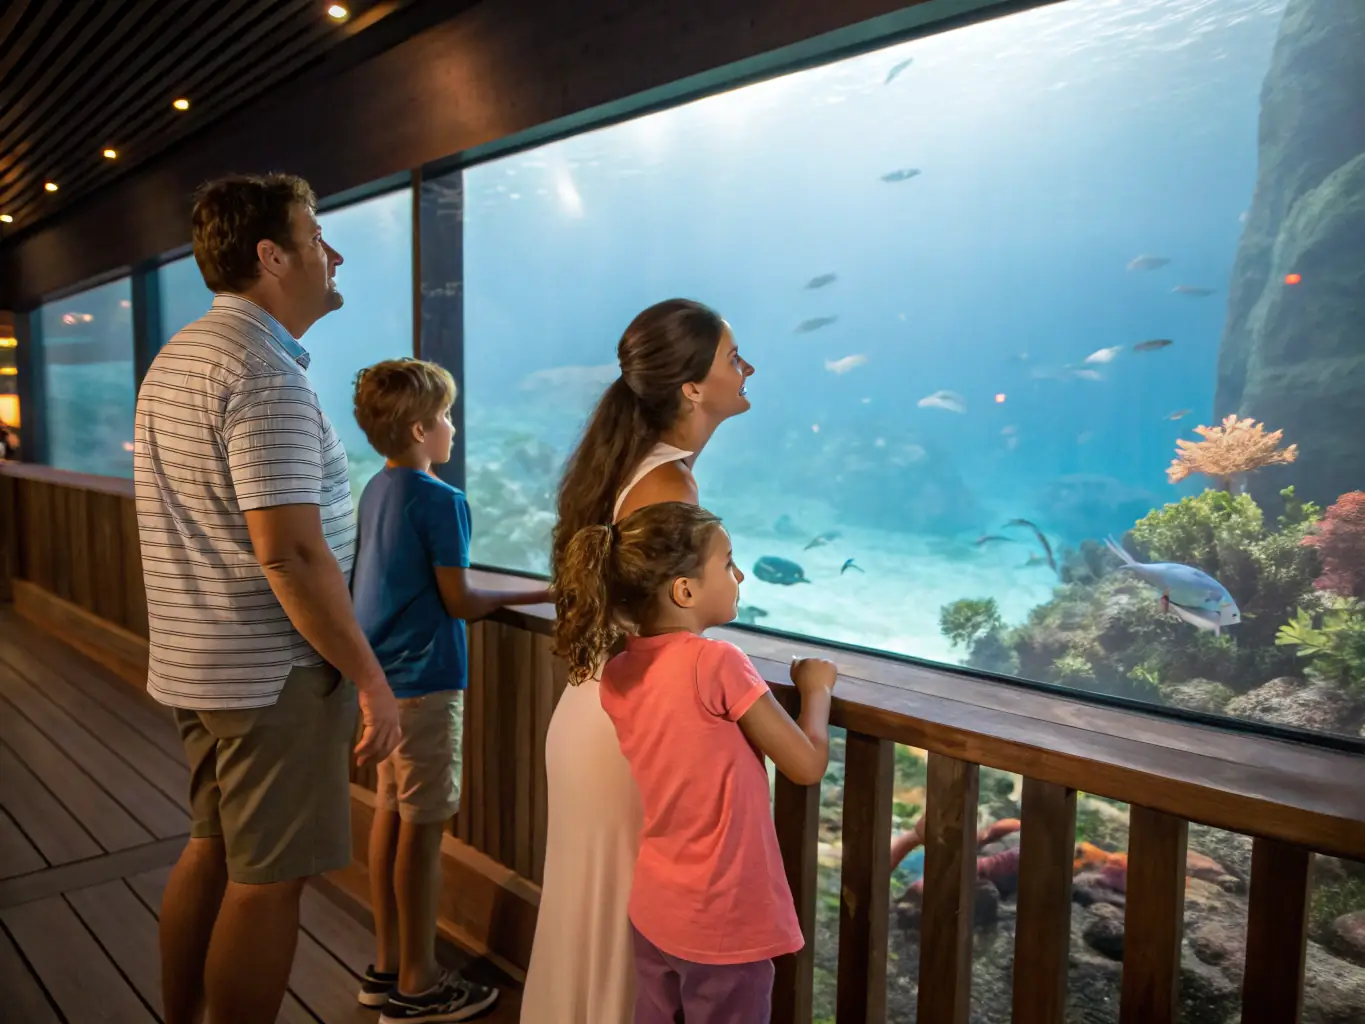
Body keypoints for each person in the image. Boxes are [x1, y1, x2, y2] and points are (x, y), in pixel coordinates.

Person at [134, 173, 401, 1024]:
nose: (335, 254)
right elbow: (288, 553)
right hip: (271, 677)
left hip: (198, 663)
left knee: (212, 848)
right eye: (317, 235)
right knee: (269, 880)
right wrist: (368, 679)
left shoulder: (181, 357)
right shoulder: (265, 376)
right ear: (270, 255)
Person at [521, 298, 755, 1022]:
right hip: (632, 726)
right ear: (691, 387)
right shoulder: (666, 483)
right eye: (730, 357)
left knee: (592, 926)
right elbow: (664, 628)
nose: (746, 368)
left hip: (603, 709)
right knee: (626, 929)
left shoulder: (638, 467)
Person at [554, 501, 837, 1023]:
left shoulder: (618, 674)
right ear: (684, 590)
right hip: (722, 915)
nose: (740, 574)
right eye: (728, 562)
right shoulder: (718, 662)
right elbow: (806, 765)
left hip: (658, 906)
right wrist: (815, 691)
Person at [348, 358, 551, 1021]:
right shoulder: (442, 500)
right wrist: (549, 589)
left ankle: (385, 965)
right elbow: (459, 599)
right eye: (446, 416)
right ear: (419, 428)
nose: (453, 427)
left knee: (391, 815)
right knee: (424, 831)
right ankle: (419, 982)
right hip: (428, 683)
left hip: (383, 680)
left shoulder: (378, 488)